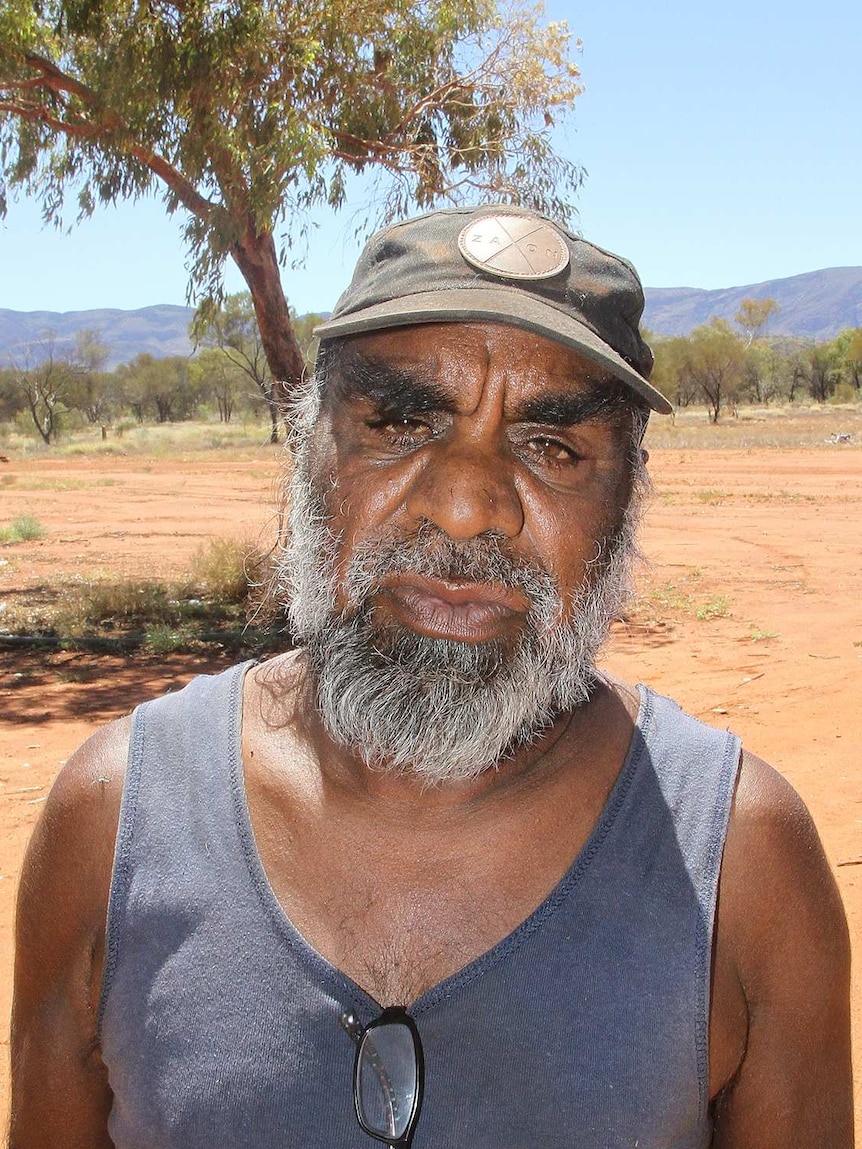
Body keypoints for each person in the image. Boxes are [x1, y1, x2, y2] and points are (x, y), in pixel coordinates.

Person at [10, 205, 852, 1149]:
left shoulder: (748, 869)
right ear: (308, 450)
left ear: (627, 498)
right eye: (402, 422)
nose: (463, 508)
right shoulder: (112, 822)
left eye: (551, 447)